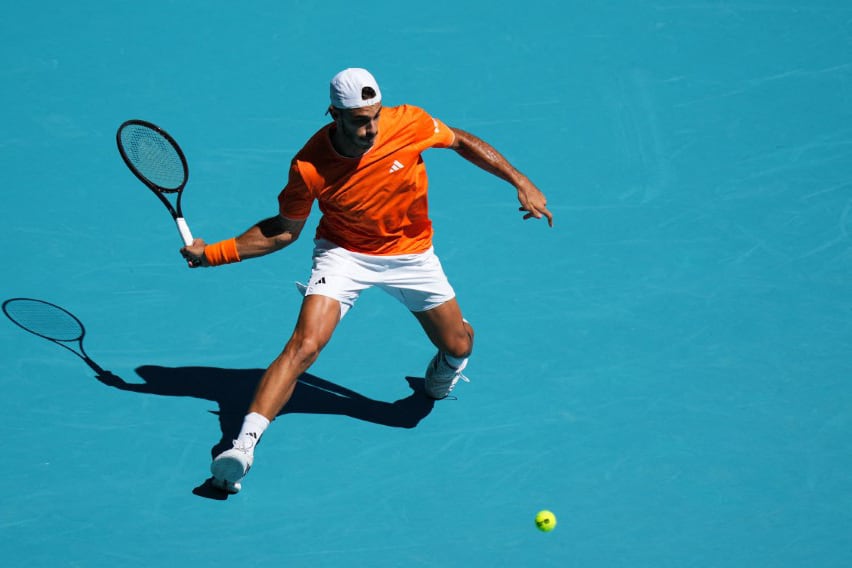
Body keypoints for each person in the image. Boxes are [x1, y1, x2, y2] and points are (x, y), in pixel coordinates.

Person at [180, 68, 553, 494]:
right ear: (334, 114)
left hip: (411, 253)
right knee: (304, 346)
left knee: (459, 345)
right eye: (359, 120)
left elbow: (461, 139)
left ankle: (445, 368)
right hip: (344, 254)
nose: (370, 127)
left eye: (374, 116)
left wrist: (520, 180)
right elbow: (284, 230)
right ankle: (240, 448)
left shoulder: (408, 122)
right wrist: (214, 254)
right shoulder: (308, 165)